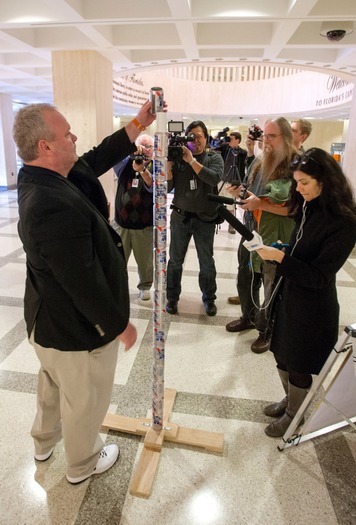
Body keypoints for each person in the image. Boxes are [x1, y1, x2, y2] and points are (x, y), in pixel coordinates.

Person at [13, 100, 157, 484]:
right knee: (84, 399)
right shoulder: (49, 204)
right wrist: (116, 325)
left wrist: (137, 124)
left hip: (48, 325)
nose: (74, 137)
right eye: (66, 133)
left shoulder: (43, 175)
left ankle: (43, 443)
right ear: (45, 146)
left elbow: (93, 158)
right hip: (73, 330)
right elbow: (82, 280)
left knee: (52, 385)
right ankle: (82, 464)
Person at [256, 148, 356, 437]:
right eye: (296, 183)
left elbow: (320, 276)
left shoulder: (344, 222)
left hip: (313, 305)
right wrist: (285, 251)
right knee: (281, 352)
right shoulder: (307, 206)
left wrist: (280, 259)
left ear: (325, 181)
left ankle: (295, 414)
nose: (298, 190)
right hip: (290, 294)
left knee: (298, 361)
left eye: (304, 183)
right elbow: (303, 251)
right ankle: (290, 400)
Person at [226, 117, 297, 354]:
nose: (266, 141)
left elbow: (293, 208)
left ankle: (266, 331)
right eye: (265, 135)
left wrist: (260, 204)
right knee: (245, 277)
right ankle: (249, 316)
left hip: (274, 236)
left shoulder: (295, 166)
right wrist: (240, 192)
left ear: (286, 138)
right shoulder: (260, 163)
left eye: (272, 136)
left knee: (270, 285)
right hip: (250, 232)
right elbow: (252, 193)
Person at [166, 120, 224, 316]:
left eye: (199, 136)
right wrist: (168, 165)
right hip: (180, 218)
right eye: (191, 137)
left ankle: (209, 299)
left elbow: (213, 178)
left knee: (206, 261)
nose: (195, 140)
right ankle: (172, 298)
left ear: (206, 138)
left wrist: (191, 160)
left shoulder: (214, 158)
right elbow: (166, 188)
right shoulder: (178, 159)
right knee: (174, 261)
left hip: (205, 218)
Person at [113, 133, 154, 302]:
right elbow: (114, 159)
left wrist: (143, 169)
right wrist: (131, 150)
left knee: (145, 261)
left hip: (143, 224)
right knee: (117, 259)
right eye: (141, 146)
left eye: (148, 147)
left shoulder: (156, 166)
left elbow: (153, 187)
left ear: (153, 150)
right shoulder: (124, 165)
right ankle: (117, 287)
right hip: (121, 223)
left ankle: (145, 286)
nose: (144, 150)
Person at [215, 131, 247, 235]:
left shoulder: (242, 153)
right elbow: (215, 147)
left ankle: (231, 225)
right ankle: (215, 220)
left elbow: (243, 168)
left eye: (231, 139)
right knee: (217, 201)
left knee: (231, 205)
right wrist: (222, 139)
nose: (229, 141)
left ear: (237, 140)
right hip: (222, 179)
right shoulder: (225, 148)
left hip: (233, 181)